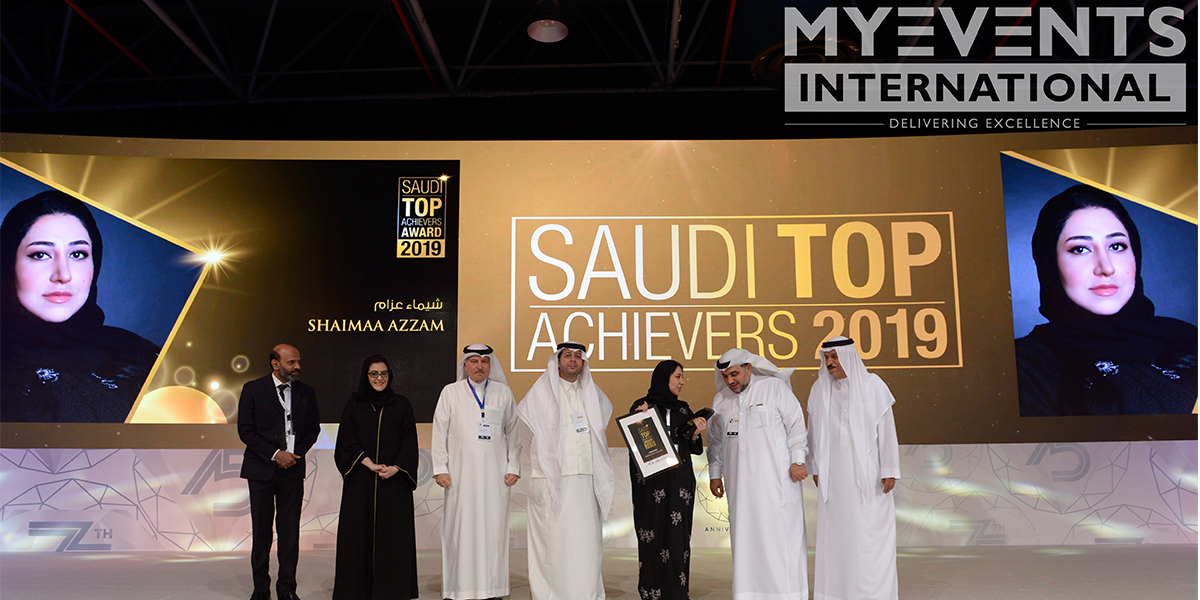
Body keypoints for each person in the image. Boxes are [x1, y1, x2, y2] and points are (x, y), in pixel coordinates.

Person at [1016, 184, 1198, 415]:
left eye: (1117, 246)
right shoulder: (1021, 368)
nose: (1106, 267)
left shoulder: (1186, 340)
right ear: (1050, 263)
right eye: (1080, 249)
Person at [0, 190, 159, 423]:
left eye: (77, 254)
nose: (63, 274)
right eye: (41, 254)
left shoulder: (143, 359)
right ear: (8, 263)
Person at [706, 348, 809, 600]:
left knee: (780, 540)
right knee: (746, 541)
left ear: (748, 368)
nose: (730, 381)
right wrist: (715, 473)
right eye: (725, 376)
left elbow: (796, 425)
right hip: (740, 488)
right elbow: (715, 441)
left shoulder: (774, 388)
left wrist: (798, 460)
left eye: (734, 374)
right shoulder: (721, 400)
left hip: (777, 484)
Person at [516, 341, 615, 600]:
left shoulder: (594, 393)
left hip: (586, 479)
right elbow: (525, 432)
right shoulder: (541, 392)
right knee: (554, 541)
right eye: (568, 356)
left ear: (583, 362)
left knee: (586, 543)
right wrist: (545, 461)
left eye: (578, 356)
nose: (573, 360)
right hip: (553, 480)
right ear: (558, 361)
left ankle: (586, 593)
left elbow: (600, 430)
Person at [807, 337, 900, 600]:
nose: (829, 363)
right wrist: (815, 465)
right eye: (826, 357)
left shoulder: (873, 386)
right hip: (833, 480)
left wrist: (889, 468)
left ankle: (874, 594)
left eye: (834, 357)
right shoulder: (819, 388)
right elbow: (813, 431)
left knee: (869, 535)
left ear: (848, 356)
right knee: (837, 537)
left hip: (869, 478)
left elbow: (887, 430)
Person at [432, 344, 520, 600]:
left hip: (496, 477)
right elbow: (439, 432)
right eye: (474, 361)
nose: (479, 366)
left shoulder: (503, 392)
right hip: (459, 477)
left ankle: (492, 590)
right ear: (465, 365)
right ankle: (458, 589)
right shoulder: (451, 392)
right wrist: (440, 469)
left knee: (494, 531)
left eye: (484, 361)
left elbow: (514, 432)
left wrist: (513, 466)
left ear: (490, 365)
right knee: (460, 531)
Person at [237, 343, 322, 600]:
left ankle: (286, 589)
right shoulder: (253, 389)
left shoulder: (307, 392)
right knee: (262, 533)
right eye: (291, 362)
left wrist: (294, 455)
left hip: (292, 470)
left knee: (289, 533)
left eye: (298, 362)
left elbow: (313, 430)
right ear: (275, 364)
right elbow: (246, 431)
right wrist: (276, 454)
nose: (297, 367)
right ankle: (260, 590)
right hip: (261, 470)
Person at [333, 354, 419, 600]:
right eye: (374, 374)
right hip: (360, 482)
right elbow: (346, 440)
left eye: (383, 373)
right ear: (365, 376)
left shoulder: (401, 405)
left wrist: (396, 468)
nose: (379, 378)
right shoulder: (355, 404)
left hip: (393, 484)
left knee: (393, 539)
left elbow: (409, 442)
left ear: (390, 375)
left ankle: (392, 591)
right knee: (357, 538)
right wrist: (368, 462)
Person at [629, 360, 708, 600]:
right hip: (651, 485)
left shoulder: (683, 410)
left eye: (682, 377)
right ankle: (651, 591)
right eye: (678, 377)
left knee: (678, 536)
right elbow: (637, 445)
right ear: (664, 378)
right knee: (651, 534)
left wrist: (695, 433)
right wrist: (640, 419)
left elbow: (692, 448)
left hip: (679, 483)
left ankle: (677, 591)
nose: (682, 382)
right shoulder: (643, 406)